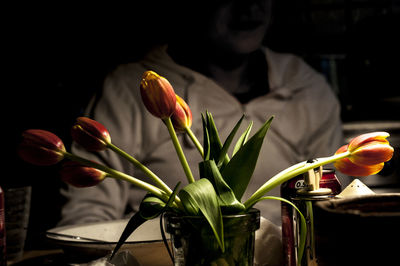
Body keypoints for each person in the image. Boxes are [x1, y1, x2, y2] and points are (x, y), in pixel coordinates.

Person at [59, 0, 343, 235]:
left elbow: (336, 205)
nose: (249, 9)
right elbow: (86, 219)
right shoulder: (132, 88)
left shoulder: (305, 86)